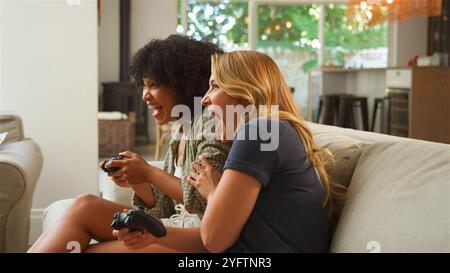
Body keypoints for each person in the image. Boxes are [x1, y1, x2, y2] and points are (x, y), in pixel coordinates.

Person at [107, 50, 345, 253]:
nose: (205, 99)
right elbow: (212, 236)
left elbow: (213, 240)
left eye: (215, 86)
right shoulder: (272, 132)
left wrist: (213, 194)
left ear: (244, 92)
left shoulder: (259, 131)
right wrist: (152, 234)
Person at [28, 35, 230, 253]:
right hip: (175, 225)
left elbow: (207, 200)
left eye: (154, 85)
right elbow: (164, 208)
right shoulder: (181, 131)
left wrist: (150, 173)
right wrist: (138, 180)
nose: (144, 95)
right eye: (144, 85)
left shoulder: (212, 125)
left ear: (183, 84)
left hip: (201, 236)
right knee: (85, 204)